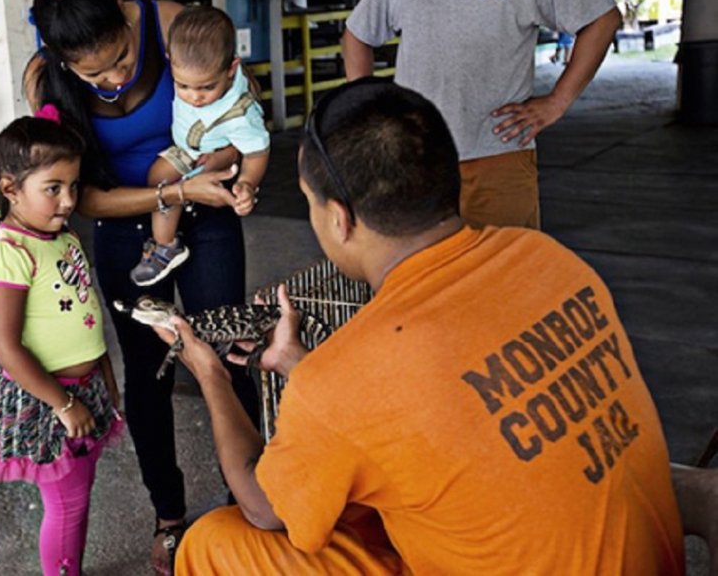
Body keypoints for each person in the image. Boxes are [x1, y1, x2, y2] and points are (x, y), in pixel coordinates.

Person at [153, 78, 695, 574]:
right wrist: (304, 368)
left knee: (216, 539)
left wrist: (211, 374)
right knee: (359, 492)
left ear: (339, 219)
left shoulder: (349, 378)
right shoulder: (550, 261)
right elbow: (433, 404)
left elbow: (264, 507)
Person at [26, 0, 262, 575]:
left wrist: (220, 171)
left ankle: (252, 499)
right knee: (147, 373)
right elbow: (86, 199)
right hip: (128, 224)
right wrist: (172, 193)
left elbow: (241, 112)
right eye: (93, 75)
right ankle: (169, 516)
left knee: (227, 351)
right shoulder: (45, 81)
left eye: (121, 60)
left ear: (128, 22)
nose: (112, 79)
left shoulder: (172, 23)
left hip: (206, 210)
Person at [341, 0, 623, 230]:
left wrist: (558, 102)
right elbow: (357, 36)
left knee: (507, 274)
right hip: (416, 156)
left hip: (499, 155)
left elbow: (603, 19)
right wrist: (371, 112)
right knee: (424, 278)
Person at [0, 109, 124, 576]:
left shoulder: (61, 237)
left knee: (78, 496)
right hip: (49, 399)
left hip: (82, 391)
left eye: (73, 186)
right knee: (67, 504)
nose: (67, 201)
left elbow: (84, 314)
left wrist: (104, 377)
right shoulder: (12, 250)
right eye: (53, 188)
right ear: (10, 189)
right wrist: (63, 404)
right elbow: (6, 348)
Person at [130, 5, 270, 286]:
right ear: (171, 63)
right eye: (183, 86)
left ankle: (165, 245)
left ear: (232, 69)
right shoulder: (189, 72)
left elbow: (257, 151)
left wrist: (248, 183)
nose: (194, 97)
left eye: (206, 88)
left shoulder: (241, 113)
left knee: (159, 177)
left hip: (198, 156)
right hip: (188, 146)